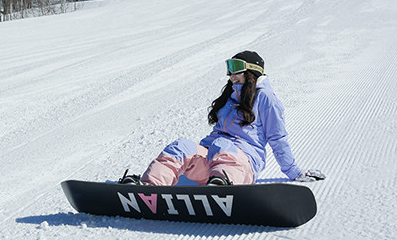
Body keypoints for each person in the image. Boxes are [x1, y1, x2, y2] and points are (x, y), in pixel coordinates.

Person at [121, 51, 325, 187]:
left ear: (252, 71)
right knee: (182, 146)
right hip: (214, 156)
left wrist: (294, 172)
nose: (231, 75)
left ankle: (220, 186)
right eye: (229, 69)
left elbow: (278, 138)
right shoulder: (231, 95)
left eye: (236, 69)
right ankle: (148, 188)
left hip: (242, 164)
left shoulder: (266, 98)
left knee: (223, 146)